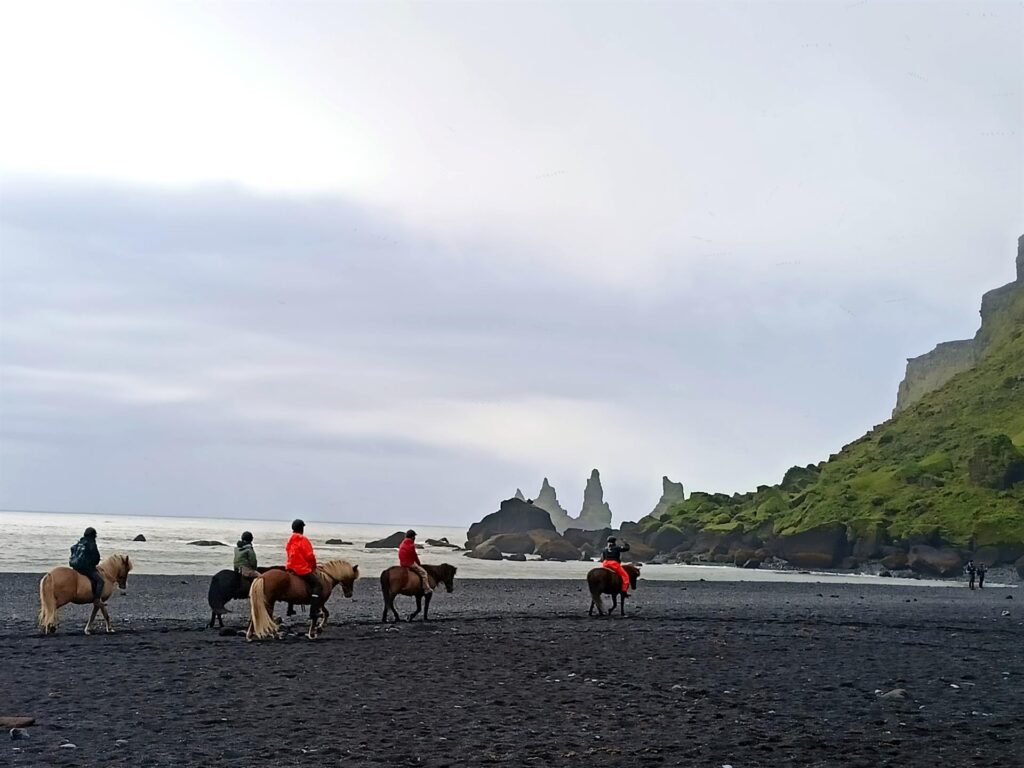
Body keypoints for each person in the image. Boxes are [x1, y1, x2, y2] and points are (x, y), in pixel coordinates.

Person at [285, 519, 321, 622]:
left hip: (290, 567)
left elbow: (288, 552)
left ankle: (290, 609)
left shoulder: (290, 539)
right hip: (301, 569)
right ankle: (313, 611)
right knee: (317, 585)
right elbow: (310, 556)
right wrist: (313, 567)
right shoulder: (303, 539)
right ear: (302, 528)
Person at [70, 527, 104, 604]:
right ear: (93, 535)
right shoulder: (91, 543)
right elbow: (96, 557)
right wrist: (94, 564)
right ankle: (97, 600)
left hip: (75, 567)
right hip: (86, 569)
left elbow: (72, 549)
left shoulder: (80, 542)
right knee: (100, 581)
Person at [398, 530, 432, 595]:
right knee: (423, 573)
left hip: (402, 563)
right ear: (412, 537)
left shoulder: (402, 543)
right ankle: (427, 589)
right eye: (414, 536)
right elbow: (414, 556)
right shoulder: (411, 545)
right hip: (409, 563)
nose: (415, 538)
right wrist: (419, 564)